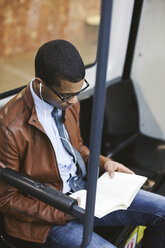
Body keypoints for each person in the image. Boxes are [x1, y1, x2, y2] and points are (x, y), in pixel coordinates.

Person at [0, 39, 165, 248]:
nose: (74, 102)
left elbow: (77, 150)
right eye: (67, 95)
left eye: (78, 92)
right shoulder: (9, 127)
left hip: (85, 192)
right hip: (50, 215)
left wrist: (104, 163)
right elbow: (6, 199)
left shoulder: (68, 104)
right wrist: (65, 210)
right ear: (41, 84)